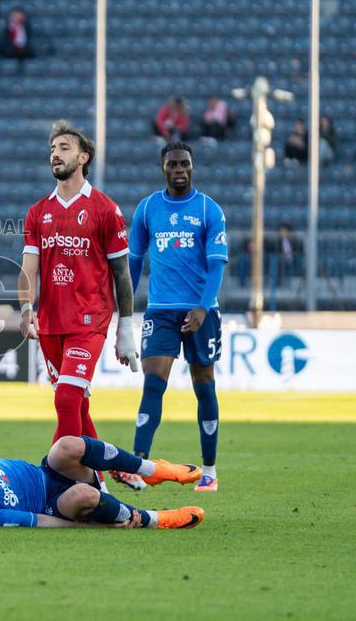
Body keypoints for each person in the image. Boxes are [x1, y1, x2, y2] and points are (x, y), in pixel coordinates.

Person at [18, 121, 139, 456]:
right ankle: (109, 470)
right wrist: (26, 309)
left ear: (84, 157)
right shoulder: (37, 213)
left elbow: (122, 273)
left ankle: (60, 478)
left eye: (64, 148)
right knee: (78, 405)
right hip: (51, 323)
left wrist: (125, 328)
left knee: (67, 399)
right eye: (52, 149)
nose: (55, 154)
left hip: (89, 321)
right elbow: (28, 269)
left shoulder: (105, 209)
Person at [120, 142, 227, 493]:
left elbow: (216, 265)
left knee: (204, 385)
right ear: (163, 168)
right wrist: (124, 308)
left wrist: (203, 307)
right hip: (161, 310)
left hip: (201, 310)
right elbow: (134, 262)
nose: (179, 169)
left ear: (193, 167)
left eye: (184, 164)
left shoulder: (209, 209)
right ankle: (137, 465)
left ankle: (209, 470)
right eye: (173, 164)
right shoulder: (148, 208)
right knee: (153, 383)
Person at [0, 436, 204, 528]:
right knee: (84, 496)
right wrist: (99, 528)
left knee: (67, 445)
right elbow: (42, 521)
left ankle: (152, 469)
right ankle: (154, 519)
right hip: (54, 504)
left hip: (49, 473)